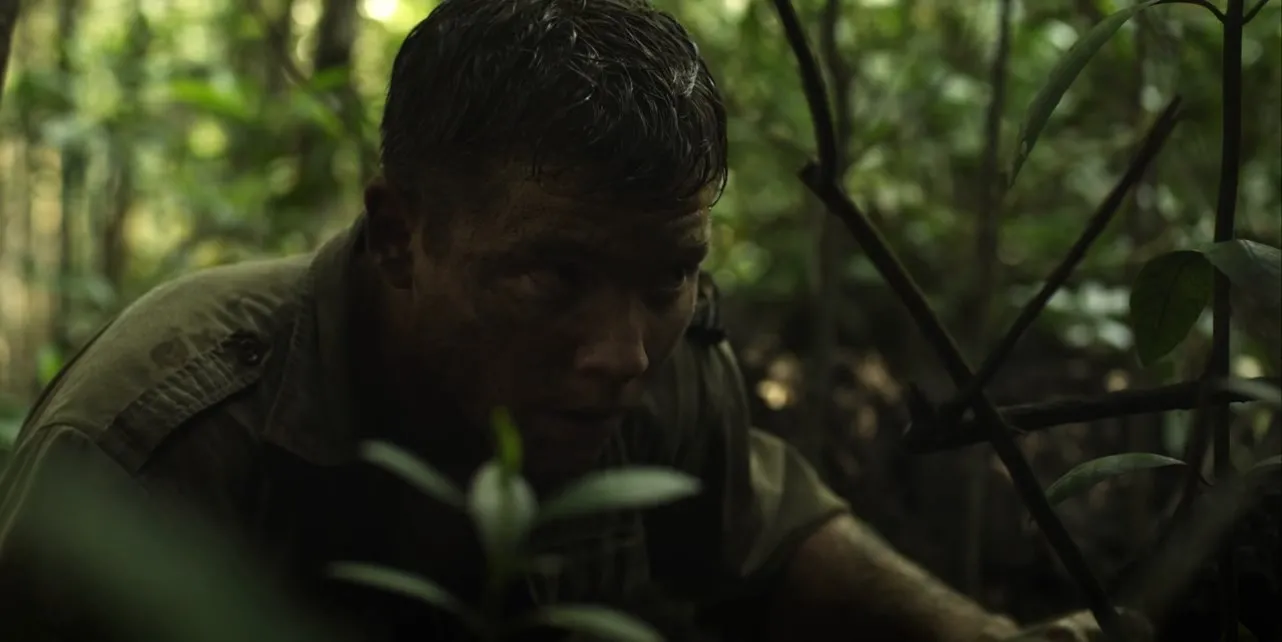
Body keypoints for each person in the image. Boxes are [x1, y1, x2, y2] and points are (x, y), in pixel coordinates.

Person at [0, 1, 1145, 640]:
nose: (622, 354)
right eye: (551, 278)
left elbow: (772, 534)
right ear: (399, 236)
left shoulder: (653, 350)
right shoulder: (152, 454)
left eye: (670, 277)